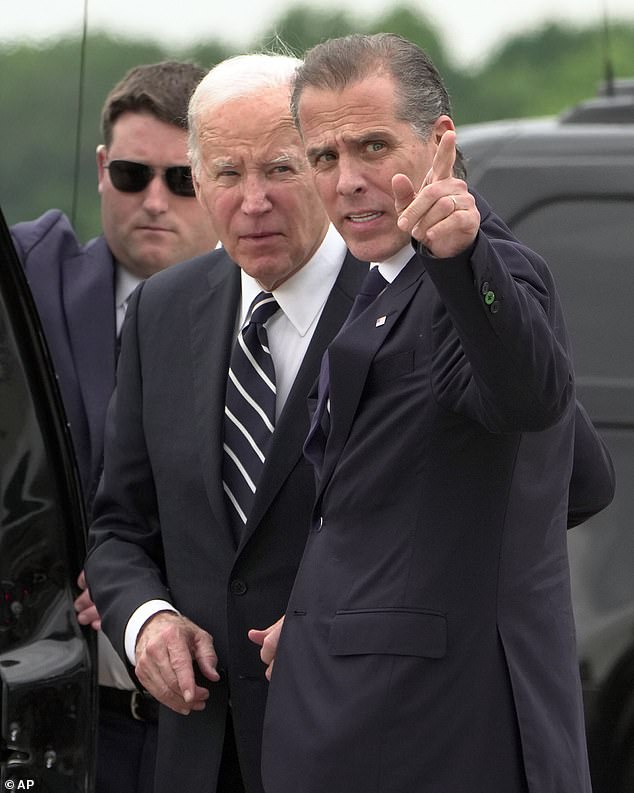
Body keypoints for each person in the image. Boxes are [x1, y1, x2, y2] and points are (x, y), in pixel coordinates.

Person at [252, 34, 615, 793]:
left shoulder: (484, 268)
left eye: (372, 146)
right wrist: (332, 606)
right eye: (323, 157)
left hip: (423, 735)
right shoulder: (388, 283)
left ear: (439, 141)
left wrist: (462, 260)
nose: (347, 181)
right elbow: (579, 476)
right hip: (382, 719)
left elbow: (527, 395)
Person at [83, 53, 367, 793]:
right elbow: (119, 529)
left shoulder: (401, 299)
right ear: (200, 181)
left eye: (279, 168)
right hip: (198, 756)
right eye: (227, 174)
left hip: (361, 743)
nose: (253, 201)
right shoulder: (161, 310)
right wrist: (145, 620)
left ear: (325, 166)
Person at [10, 61, 218, 793]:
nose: (155, 200)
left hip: (210, 727)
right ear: (101, 169)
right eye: (132, 175)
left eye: (183, 179)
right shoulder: (31, 281)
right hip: (56, 719)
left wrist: (143, 581)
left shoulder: (272, 318)